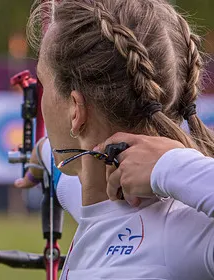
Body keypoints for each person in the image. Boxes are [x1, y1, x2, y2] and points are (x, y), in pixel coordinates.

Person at [16, 0, 214, 278]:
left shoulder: (187, 233)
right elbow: (72, 165)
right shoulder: (94, 189)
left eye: (44, 85)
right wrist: (41, 156)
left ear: (76, 110)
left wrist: (170, 164)